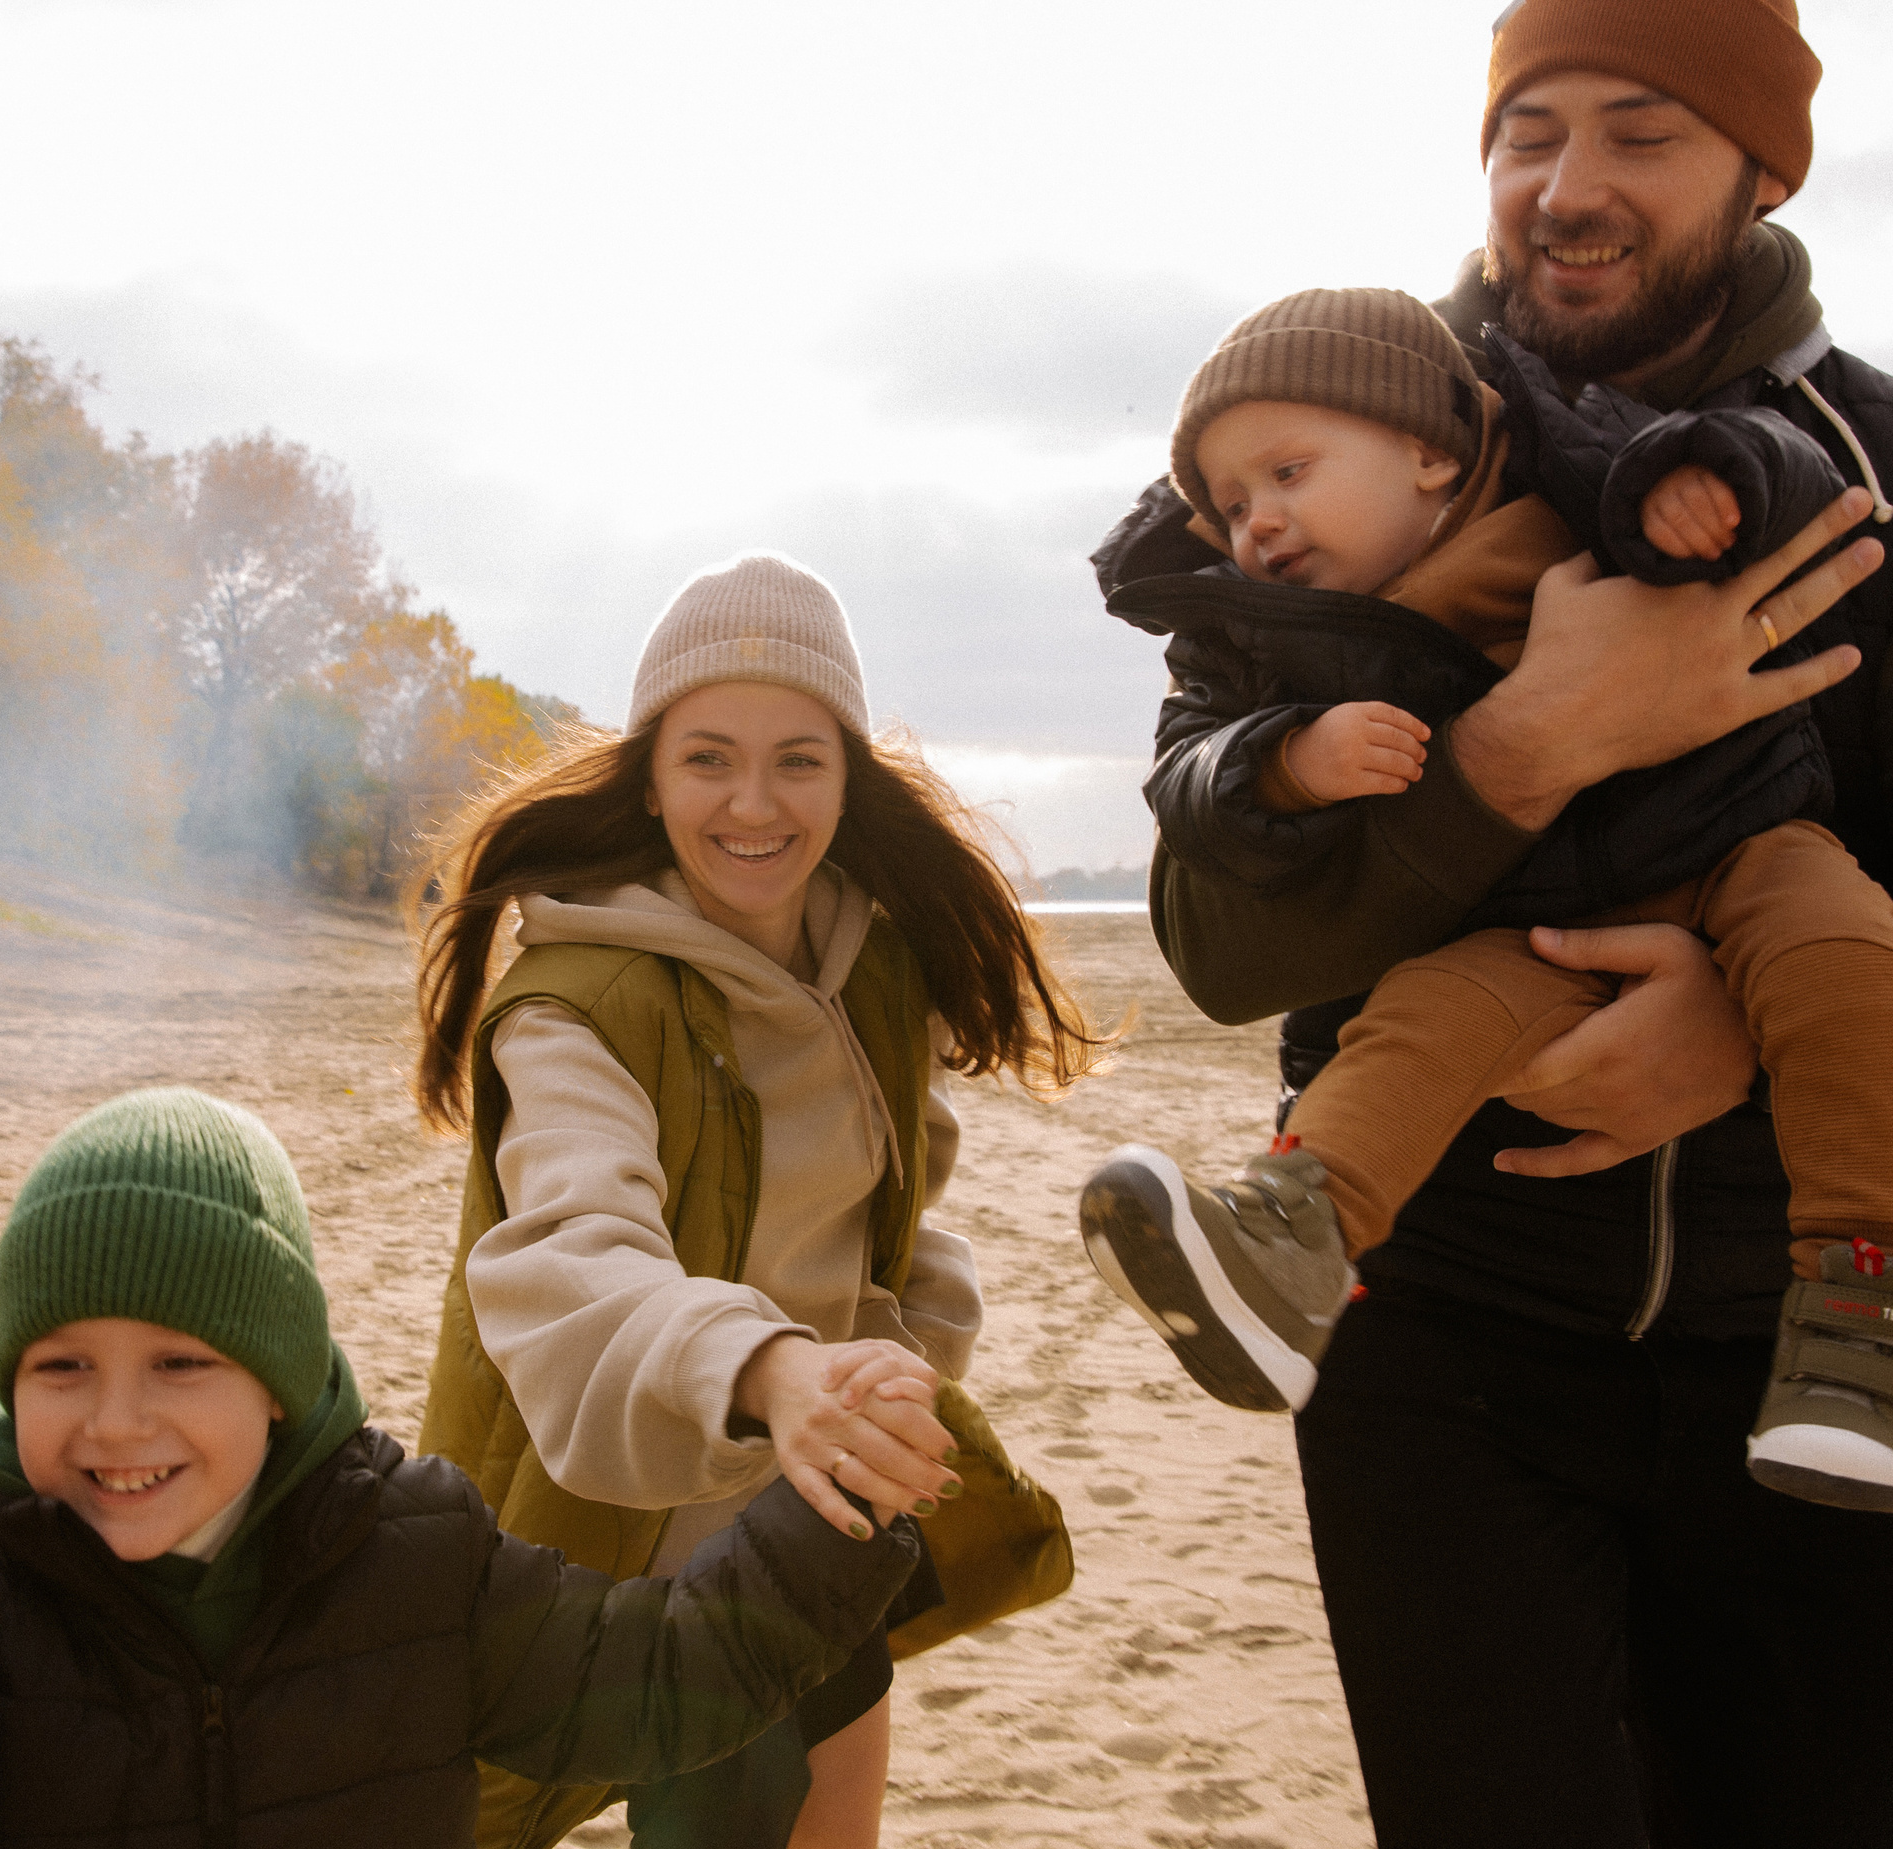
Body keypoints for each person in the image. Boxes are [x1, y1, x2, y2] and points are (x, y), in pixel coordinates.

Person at [1086, 1, 1893, 1841]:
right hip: (1442, 1340)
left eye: (1641, 132)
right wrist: (1525, 748)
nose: (1568, 186)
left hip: (1799, 1353)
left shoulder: (1866, 469)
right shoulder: (1317, 461)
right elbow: (1217, 940)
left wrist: (1744, 1021)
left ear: (1764, 168)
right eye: (1530, 131)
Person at [0, 1087, 923, 1849]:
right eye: (60, 1366)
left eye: (180, 1364)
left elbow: (659, 1679)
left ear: (277, 1383)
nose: (116, 1422)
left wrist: (843, 1499)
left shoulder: (416, 1549)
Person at [1078, 284, 1893, 1512]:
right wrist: (1285, 759)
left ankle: (1858, 1303)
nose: (1258, 523)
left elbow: (1768, 465)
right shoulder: (1266, 637)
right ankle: (1290, 1239)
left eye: (1288, 473)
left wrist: (1706, 477)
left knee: (1836, 953)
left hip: (1738, 835)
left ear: (1428, 451)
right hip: (1541, 915)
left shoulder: (1565, 458)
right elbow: (1189, 785)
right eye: (1231, 504)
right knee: (1426, 1016)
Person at [412, 551, 1105, 1848]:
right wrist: (775, 1371)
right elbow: (575, 1260)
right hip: (606, 1555)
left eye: (797, 759)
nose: (753, 802)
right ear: (650, 776)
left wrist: (894, 1367)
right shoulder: (571, 1004)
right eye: (708, 758)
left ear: (847, 776)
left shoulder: (878, 969)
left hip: (812, 1521)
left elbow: (892, 1220)